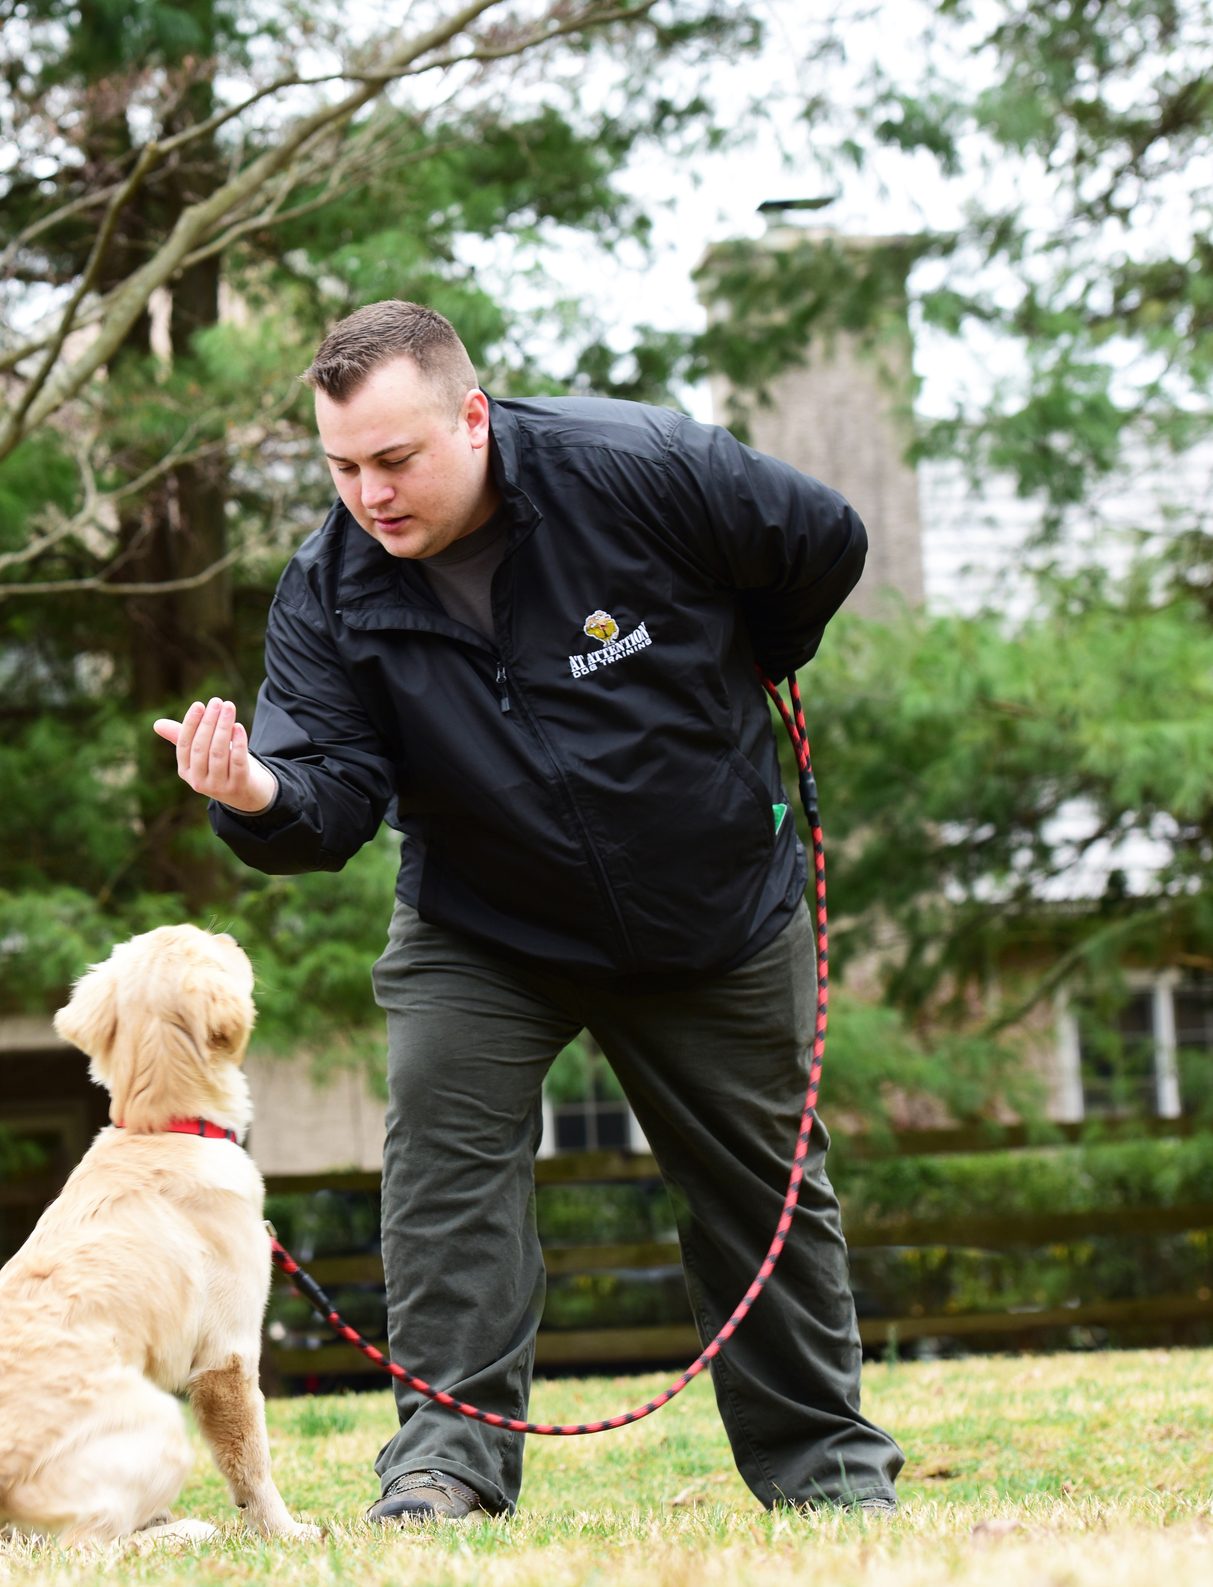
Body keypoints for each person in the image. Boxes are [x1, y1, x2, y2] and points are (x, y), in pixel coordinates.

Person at [151, 300, 905, 1522]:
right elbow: (328, 799)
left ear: (472, 417)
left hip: (710, 907)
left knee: (761, 1191)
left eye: (395, 461)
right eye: (342, 468)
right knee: (442, 1174)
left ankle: (824, 1470)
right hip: (483, 921)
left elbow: (820, 542)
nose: (370, 495)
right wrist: (253, 789)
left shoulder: (640, 469)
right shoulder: (332, 594)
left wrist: (735, 667)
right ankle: (446, 1467)